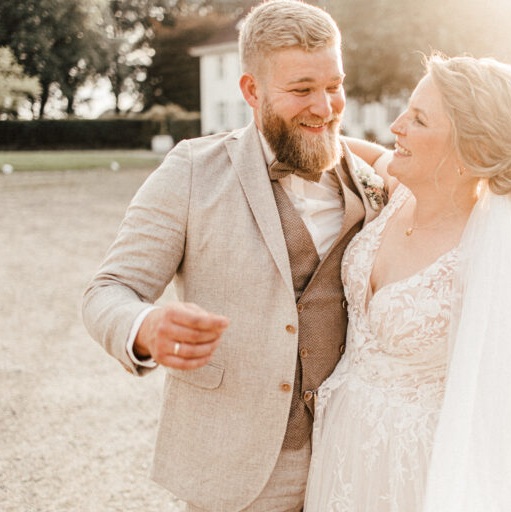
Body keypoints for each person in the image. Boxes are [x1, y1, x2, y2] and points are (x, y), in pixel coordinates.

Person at [81, 1, 384, 510]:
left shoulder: (370, 179)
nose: (325, 107)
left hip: (351, 458)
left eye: (334, 86)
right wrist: (145, 327)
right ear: (251, 90)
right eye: (302, 89)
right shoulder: (192, 171)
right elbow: (108, 291)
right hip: (233, 467)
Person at [304, 55, 511, 511]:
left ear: (470, 149)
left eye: (418, 119)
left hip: (421, 472)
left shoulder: (494, 261)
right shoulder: (398, 193)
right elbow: (356, 149)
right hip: (342, 444)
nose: (396, 125)